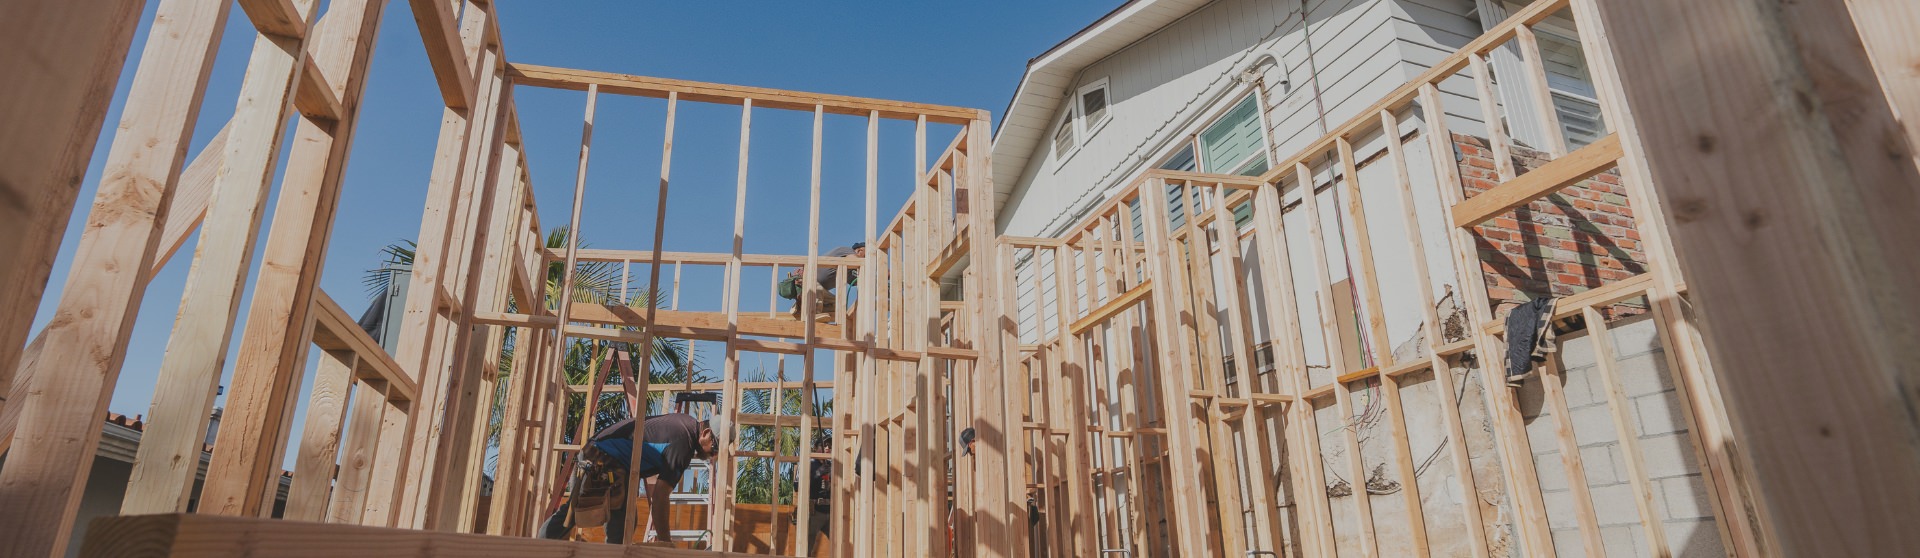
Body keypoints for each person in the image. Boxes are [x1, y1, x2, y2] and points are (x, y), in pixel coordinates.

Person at [541, 413, 717, 544]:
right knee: (574, 513)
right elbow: (660, 498)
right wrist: (665, 545)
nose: (713, 454)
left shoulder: (685, 425)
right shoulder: (684, 443)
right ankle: (534, 549)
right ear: (706, 433)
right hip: (602, 458)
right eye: (715, 447)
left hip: (606, 458)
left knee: (624, 523)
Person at [783, 243, 865, 319]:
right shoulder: (846, 250)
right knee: (816, 287)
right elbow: (853, 260)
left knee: (838, 305)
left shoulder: (850, 272)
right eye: (866, 255)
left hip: (820, 291)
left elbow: (862, 282)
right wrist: (866, 265)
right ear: (859, 251)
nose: (867, 259)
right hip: (805, 282)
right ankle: (812, 315)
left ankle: (802, 308)